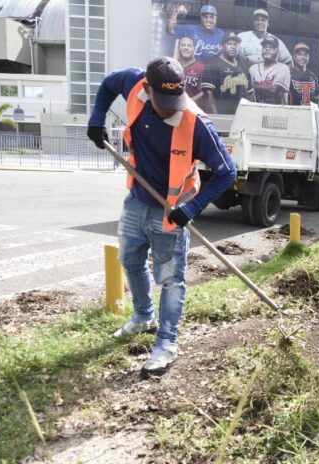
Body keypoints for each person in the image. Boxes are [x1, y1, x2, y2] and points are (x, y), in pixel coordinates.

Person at [86, 57, 237, 379]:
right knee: (129, 257)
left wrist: (193, 208)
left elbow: (227, 173)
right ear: (148, 88)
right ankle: (143, 316)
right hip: (136, 200)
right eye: (164, 101)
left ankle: (166, 342)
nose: (172, 108)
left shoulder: (197, 124)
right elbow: (109, 81)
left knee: (170, 278)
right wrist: (97, 118)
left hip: (171, 211)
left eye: (177, 101)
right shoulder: (133, 83)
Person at [201, 32, 254, 114]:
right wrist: (215, 115)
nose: (233, 47)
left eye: (235, 44)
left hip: (240, 114)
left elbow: (250, 95)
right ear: (222, 46)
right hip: (221, 113)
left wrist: (248, 114)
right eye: (229, 44)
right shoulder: (213, 65)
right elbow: (208, 93)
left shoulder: (244, 68)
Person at [249, 34, 290, 104]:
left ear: (276, 50)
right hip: (256, 110)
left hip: (277, 112)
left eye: (271, 47)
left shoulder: (283, 68)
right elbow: (249, 93)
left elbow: (274, 89)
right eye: (265, 47)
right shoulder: (253, 68)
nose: (267, 49)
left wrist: (255, 87)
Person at [176, 36, 205, 101]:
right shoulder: (172, 65)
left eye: (189, 46)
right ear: (178, 48)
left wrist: (190, 101)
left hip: (193, 108)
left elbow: (204, 92)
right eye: (183, 45)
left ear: (194, 49)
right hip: (173, 106)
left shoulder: (201, 67)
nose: (186, 48)